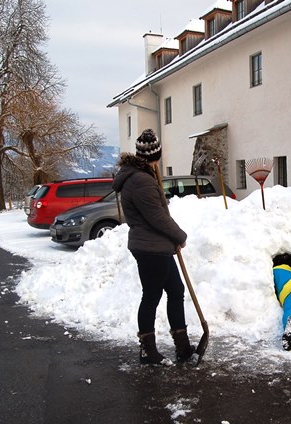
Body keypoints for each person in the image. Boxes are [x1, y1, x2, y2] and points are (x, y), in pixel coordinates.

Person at [112, 128, 194, 365]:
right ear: (155, 155)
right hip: (151, 248)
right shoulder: (140, 180)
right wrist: (180, 235)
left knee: (176, 291)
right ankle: (148, 350)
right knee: (151, 296)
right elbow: (157, 217)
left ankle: (183, 346)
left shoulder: (140, 176)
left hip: (157, 246)